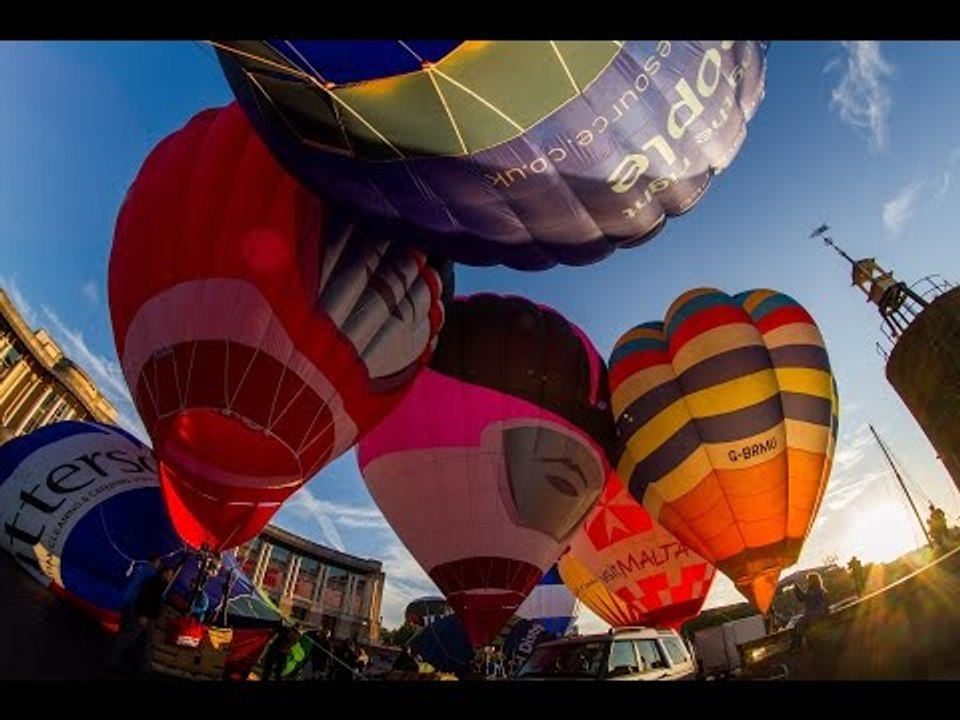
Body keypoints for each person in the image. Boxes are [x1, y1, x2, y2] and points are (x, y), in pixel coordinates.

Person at [107, 562, 175, 674]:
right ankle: (112, 660)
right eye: (170, 574)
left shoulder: (159, 584)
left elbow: (153, 600)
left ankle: (143, 668)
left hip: (149, 617)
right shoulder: (154, 582)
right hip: (143, 616)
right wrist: (142, 614)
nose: (171, 577)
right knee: (128, 637)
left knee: (146, 643)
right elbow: (144, 597)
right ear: (164, 573)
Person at [790, 572, 829, 651]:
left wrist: (796, 588)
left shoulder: (818, 590)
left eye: (809, 580)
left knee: (800, 623)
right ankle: (797, 645)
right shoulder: (814, 590)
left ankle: (797, 645)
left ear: (813, 580)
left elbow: (804, 598)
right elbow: (803, 598)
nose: (808, 582)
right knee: (798, 623)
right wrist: (796, 588)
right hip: (814, 613)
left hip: (817, 613)